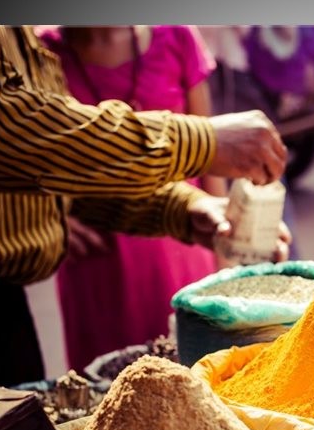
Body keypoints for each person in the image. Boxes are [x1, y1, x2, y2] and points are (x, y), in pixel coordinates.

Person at [0, 25, 289, 427]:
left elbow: (66, 175)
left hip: (3, 305)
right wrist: (203, 142)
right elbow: (6, 135)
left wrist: (184, 208)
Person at [36, 25, 229, 372]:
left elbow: (213, 153)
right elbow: (20, 154)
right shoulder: (41, 52)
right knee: (113, 389)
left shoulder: (177, 37)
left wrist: (228, 249)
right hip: (99, 263)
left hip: (185, 237)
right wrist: (48, 215)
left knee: (200, 376)